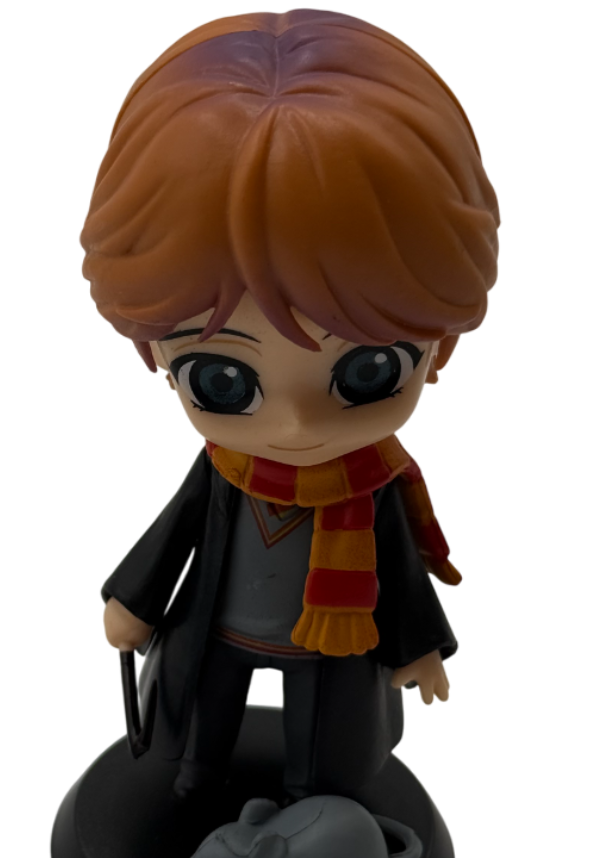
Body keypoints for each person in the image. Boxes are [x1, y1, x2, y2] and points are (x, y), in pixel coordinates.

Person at [80, 9, 500, 801]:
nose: (296, 426)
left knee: (327, 763)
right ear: (157, 358)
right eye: (224, 381)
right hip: (217, 627)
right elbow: (174, 532)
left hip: (335, 645)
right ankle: (195, 785)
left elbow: (399, 569)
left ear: (437, 348)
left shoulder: (371, 490)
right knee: (196, 739)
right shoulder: (224, 473)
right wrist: (134, 600)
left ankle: (316, 804)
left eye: (367, 371)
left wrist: (417, 647)